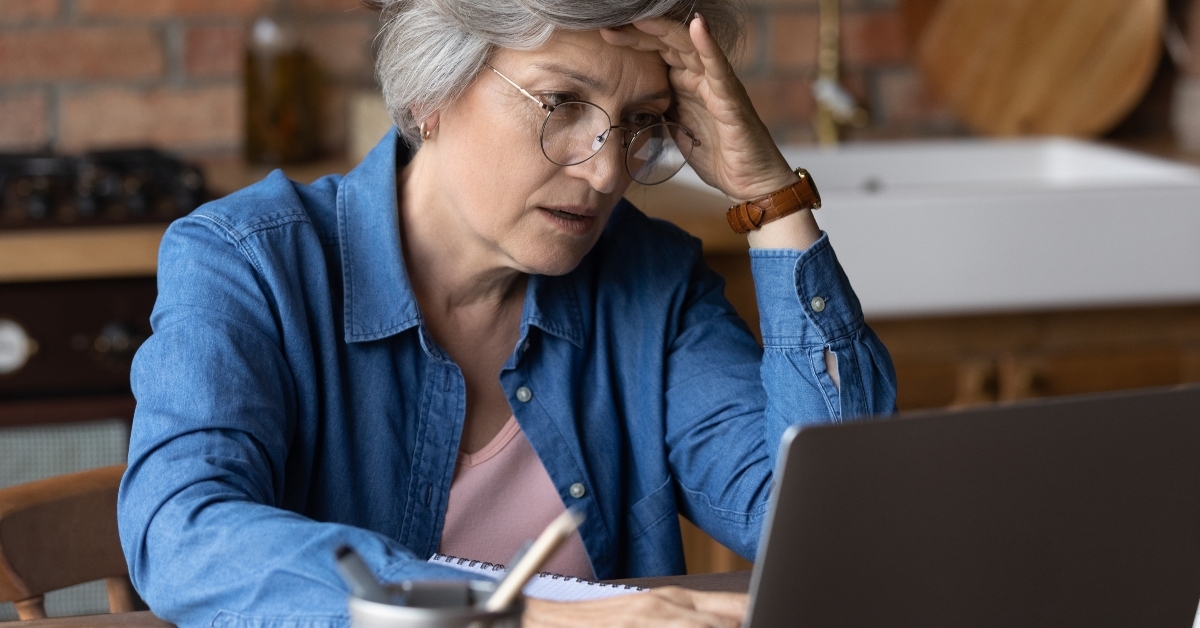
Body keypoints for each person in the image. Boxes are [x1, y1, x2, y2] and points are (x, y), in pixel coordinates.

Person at [117, 0, 897, 626]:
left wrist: (770, 196)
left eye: (638, 122)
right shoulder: (250, 261)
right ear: (430, 93)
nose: (603, 170)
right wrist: (523, 613)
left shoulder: (648, 279)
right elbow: (183, 532)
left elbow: (831, 531)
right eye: (562, 103)